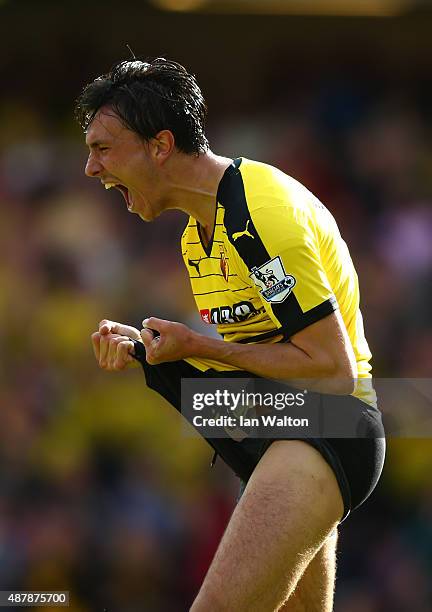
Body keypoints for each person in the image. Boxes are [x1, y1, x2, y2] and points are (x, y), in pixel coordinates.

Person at [76, 58, 385, 611]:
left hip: (325, 427)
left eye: (103, 148)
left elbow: (332, 372)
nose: (90, 169)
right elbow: (255, 362)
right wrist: (147, 352)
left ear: (160, 145)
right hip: (278, 430)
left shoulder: (259, 212)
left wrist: (196, 346)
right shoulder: (198, 236)